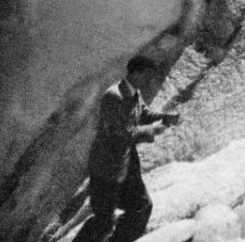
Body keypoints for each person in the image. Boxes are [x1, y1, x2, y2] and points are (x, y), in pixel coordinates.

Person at [76, 56, 179, 242]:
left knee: (141, 207)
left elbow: (144, 113)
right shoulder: (113, 96)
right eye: (147, 75)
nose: (150, 80)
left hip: (124, 165)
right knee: (103, 220)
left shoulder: (133, 93)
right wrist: (154, 129)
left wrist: (164, 116)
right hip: (105, 169)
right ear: (135, 73)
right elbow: (122, 134)